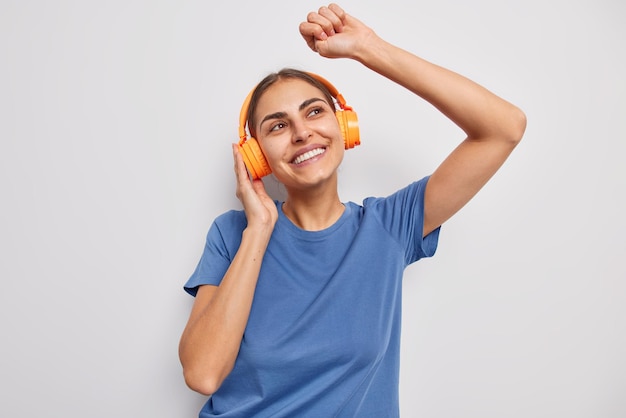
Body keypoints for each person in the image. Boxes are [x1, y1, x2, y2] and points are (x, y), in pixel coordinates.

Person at [179, 3, 526, 417]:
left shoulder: (388, 227)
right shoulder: (232, 233)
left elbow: (504, 128)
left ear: (345, 126)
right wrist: (259, 228)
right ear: (256, 157)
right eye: (277, 125)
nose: (302, 132)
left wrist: (368, 48)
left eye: (314, 111)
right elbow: (203, 374)